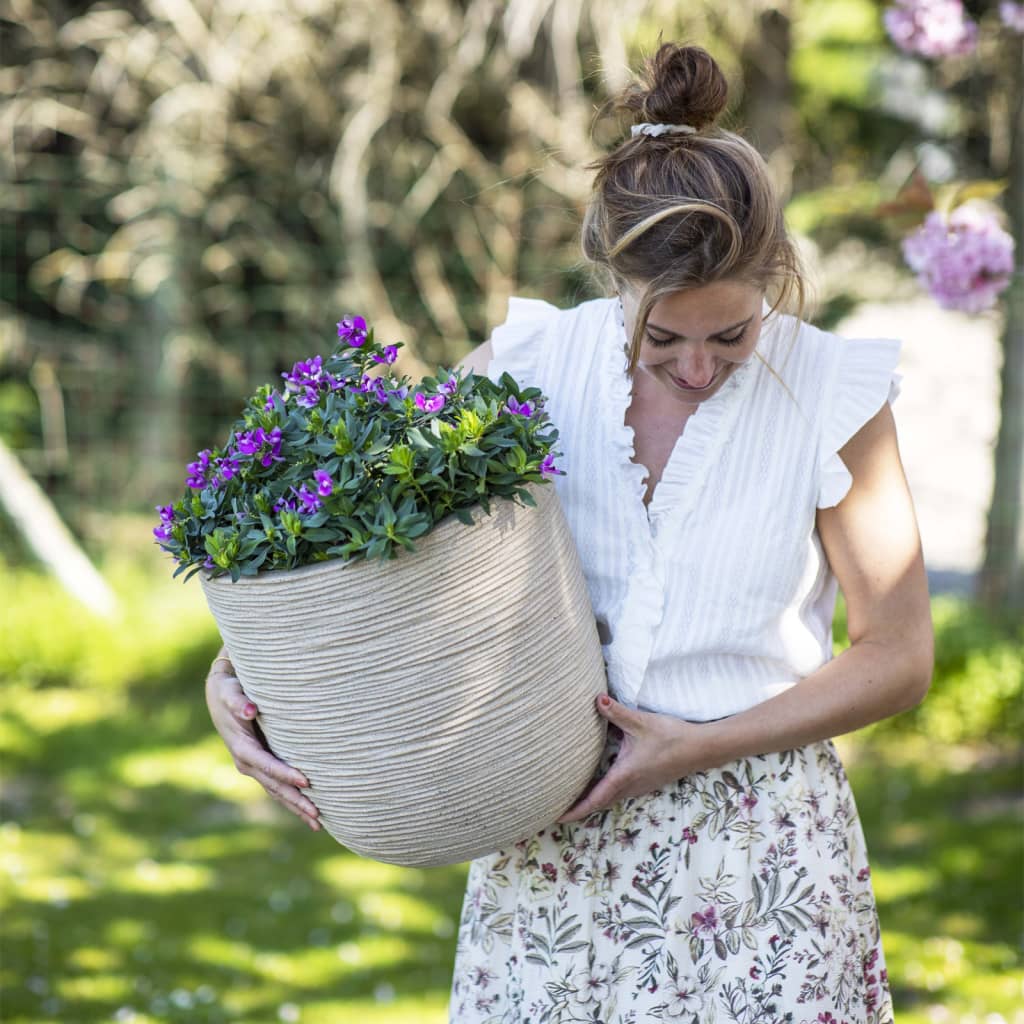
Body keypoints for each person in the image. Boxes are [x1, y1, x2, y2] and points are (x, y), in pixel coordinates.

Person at [205, 42, 933, 1022]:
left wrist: (696, 746)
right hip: (552, 831)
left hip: (760, 843)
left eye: (731, 335)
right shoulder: (529, 365)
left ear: (774, 277)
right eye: (661, 337)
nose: (697, 367)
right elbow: (367, 553)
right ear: (614, 279)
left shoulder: (833, 389)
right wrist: (242, 670)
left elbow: (897, 653)